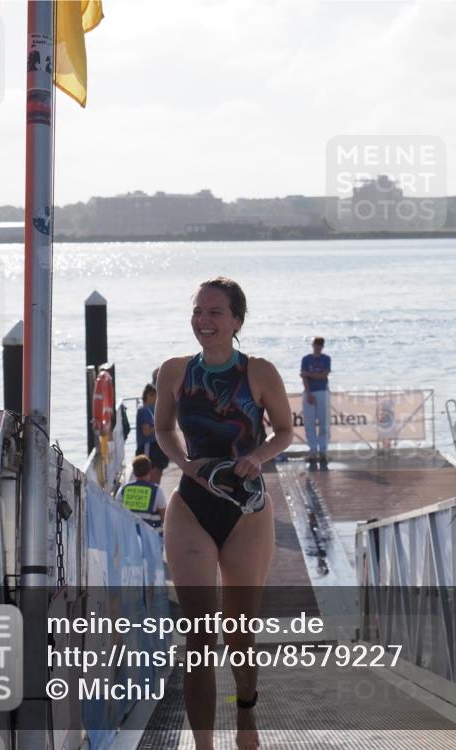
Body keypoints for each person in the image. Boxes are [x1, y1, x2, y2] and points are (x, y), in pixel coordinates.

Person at [154, 276, 293, 750]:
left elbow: (285, 432)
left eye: (215, 312)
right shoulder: (174, 371)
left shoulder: (259, 371)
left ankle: (247, 713)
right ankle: (204, 746)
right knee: (198, 639)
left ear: (236, 321)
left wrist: (259, 456)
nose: (203, 320)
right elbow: (165, 430)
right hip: (192, 505)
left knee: (239, 636)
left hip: (247, 511)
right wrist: (184, 464)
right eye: (198, 311)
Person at [300, 336, 331, 467]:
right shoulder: (306, 359)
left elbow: (324, 375)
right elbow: (303, 377)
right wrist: (309, 393)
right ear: (312, 345)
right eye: (315, 344)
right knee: (309, 423)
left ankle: (323, 451)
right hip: (309, 392)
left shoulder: (326, 359)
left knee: (324, 423)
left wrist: (309, 374)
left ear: (322, 346)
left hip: (323, 391)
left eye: (319, 345)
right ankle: (313, 451)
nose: (317, 347)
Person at [116, 454, 167, 533]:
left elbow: (117, 512)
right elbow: (164, 517)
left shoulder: (124, 489)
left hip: (129, 536)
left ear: (134, 471)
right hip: (152, 539)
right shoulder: (156, 491)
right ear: (149, 471)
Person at [136, 383, 168, 483]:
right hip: (148, 447)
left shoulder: (148, 410)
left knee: (158, 470)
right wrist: (158, 425)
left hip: (154, 446)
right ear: (148, 395)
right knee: (149, 473)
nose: (156, 399)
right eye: (155, 396)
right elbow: (146, 432)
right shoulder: (144, 411)